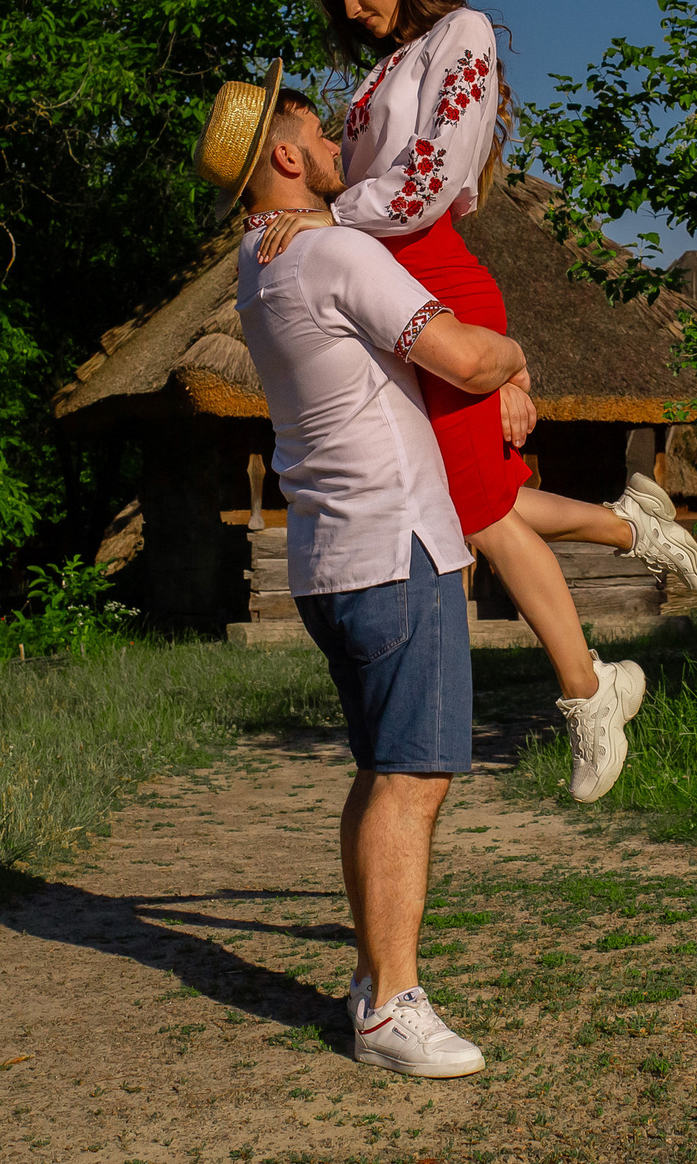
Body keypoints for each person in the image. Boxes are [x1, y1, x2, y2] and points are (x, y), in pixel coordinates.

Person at [254, 0, 697, 804]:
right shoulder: (383, 67)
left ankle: (591, 693)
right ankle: (633, 526)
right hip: (389, 282)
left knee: (481, 514)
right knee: (471, 501)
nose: (347, 6)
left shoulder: (460, 35)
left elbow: (426, 183)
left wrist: (320, 220)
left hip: (434, 279)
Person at [194, 63, 510, 1078]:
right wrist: (512, 360)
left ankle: (375, 979)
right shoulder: (330, 254)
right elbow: (459, 358)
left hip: (328, 555)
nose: (339, 146)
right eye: (320, 134)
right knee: (412, 779)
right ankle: (393, 1008)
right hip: (394, 544)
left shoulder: (260, 262)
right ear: (285, 157)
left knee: (380, 770)